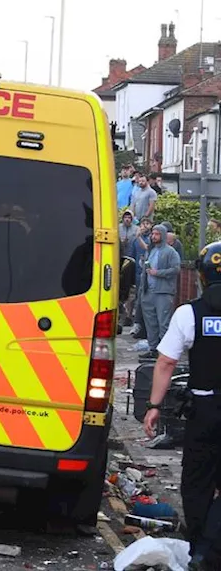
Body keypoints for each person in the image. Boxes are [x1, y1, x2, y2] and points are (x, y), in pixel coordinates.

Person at [144, 241, 221, 570]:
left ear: (201, 277)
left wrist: (153, 405)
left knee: (196, 481)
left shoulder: (189, 313)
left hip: (203, 411)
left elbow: (165, 363)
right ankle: (211, 548)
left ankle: (200, 548)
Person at [141, 224, 181, 354]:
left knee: (163, 323)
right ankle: (153, 349)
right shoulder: (150, 251)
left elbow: (176, 269)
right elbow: (145, 271)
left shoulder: (170, 252)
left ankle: (165, 352)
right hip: (148, 292)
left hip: (163, 292)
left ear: (163, 235)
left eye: (157, 234)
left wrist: (157, 273)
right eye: (152, 234)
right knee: (150, 323)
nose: (153, 236)